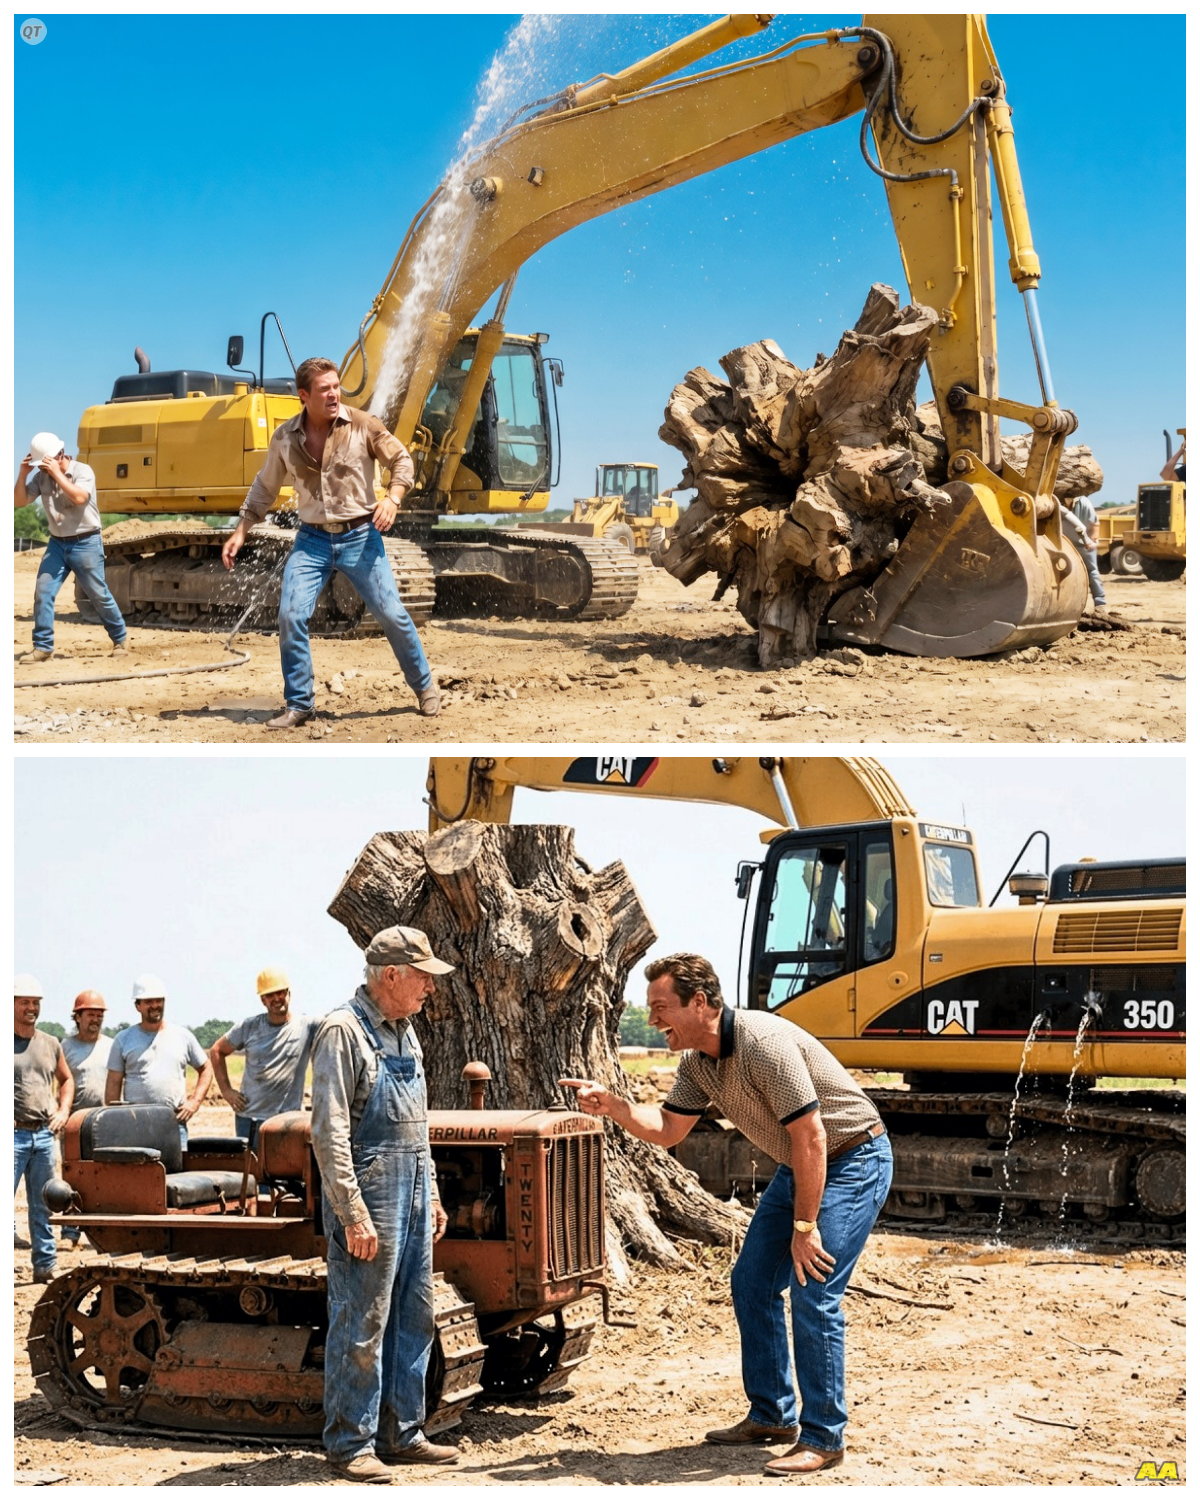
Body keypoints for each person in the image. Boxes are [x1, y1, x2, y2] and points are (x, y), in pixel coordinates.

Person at [562, 952, 893, 1477]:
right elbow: (669, 1130)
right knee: (752, 1282)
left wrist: (804, 1230)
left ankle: (825, 1438)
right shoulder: (698, 1065)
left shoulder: (762, 1043)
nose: (653, 1021)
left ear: (700, 1003)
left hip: (851, 1158)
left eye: (661, 1007)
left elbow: (812, 1136)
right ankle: (772, 1416)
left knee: (814, 1289)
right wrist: (618, 1107)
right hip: (801, 1163)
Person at [310, 926, 457, 1482]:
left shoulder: (406, 1032)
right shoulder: (342, 1032)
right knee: (362, 1320)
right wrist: (352, 1211)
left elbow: (418, 1127)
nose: (430, 989)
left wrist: (434, 1193)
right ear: (390, 974)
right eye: (423, 977)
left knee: (414, 1315)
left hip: (414, 1189)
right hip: (371, 1193)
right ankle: (350, 1444)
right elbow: (329, 1132)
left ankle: (403, 1432)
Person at [220, 357, 439, 729]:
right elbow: (265, 487)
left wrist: (392, 498)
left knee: (391, 614)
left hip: (361, 537)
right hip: (312, 541)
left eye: (336, 386)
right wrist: (241, 529)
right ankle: (300, 704)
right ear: (304, 396)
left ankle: (425, 688)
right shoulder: (285, 438)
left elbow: (402, 461)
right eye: (325, 389)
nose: (334, 393)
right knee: (290, 615)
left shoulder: (363, 425)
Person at [15, 432, 128, 664]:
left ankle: (120, 638)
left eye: (45, 463)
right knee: (43, 593)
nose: (42, 469)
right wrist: (24, 473)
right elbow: (19, 501)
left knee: (98, 594)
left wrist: (57, 473)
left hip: (86, 541)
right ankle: (43, 646)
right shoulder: (41, 477)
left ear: (59, 455)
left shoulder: (82, 471)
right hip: (57, 543)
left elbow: (79, 498)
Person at [209, 968, 319, 1149]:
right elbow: (216, 1051)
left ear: (288, 993)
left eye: (280, 992)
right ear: (263, 1000)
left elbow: (337, 1023)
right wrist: (227, 1091)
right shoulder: (249, 1027)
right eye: (270, 995)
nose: (277, 998)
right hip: (250, 1120)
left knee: (288, 1173)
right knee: (252, 1173)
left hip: (288, 1121)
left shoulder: (307, 1026)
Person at [105, 975, 213, 1147]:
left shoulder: (182, 1036)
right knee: (138, 1173)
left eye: (158, 1001)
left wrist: (194, 1102)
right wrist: (116, 1122)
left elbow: (206, 1068)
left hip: (174, 1125)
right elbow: (113, 1085)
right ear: (137, 1006)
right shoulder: (123, 1039)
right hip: (134, 1127)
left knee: (177, 1173)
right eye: (148, 1001)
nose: (155, 1006)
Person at [14, 974, 75, 1283]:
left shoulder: (50, 1043)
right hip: (11, 1135)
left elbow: (66, 1080)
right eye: (24, 1002)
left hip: (43, 1134)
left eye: (35, 1003)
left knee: (43, 1203)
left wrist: (63, 1110)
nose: (31, 1008)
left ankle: (45, 1265)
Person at [59, 991, 113, 1249]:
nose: (96, 1019)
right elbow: (56, 1082)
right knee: (72, 1178)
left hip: (106, 1125)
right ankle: (70, 1233)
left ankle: (103, 1232)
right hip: (74, 1125)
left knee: (104, 1178)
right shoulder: (64, 1047)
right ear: (77, 1017)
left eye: (99, 1015)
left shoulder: (112, 1046)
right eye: (90, 1014)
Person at [1059, 497, 1106, 609]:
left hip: (1084, 544)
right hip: (1065, 544)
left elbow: (1094, 522)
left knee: (1093, 572)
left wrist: (1093, 540)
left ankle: (1100, 603)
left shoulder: (1084, 503)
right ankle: (1068, 605)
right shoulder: (1057, 502)